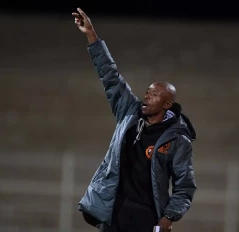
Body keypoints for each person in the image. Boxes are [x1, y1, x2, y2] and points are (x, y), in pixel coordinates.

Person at [73, 8, 197, 232]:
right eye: (148, 91)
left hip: (146, 216)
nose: (148, 95)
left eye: (155, 94)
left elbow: (184, 186)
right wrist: (91, 34)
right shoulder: (130, 113)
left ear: (167, 105)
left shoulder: (178, 140)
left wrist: (168, 218)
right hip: (115, 212)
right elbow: (110, 75)